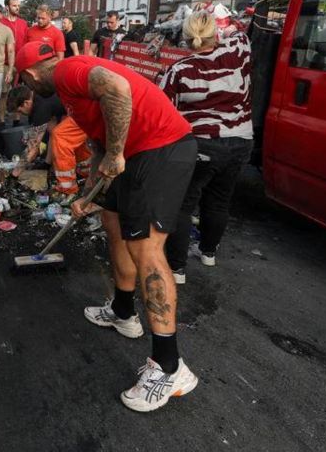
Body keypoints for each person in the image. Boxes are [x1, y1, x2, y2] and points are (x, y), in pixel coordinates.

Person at [16, 41, 198, 413]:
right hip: (134, 153)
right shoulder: (70, 95)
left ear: (31, 75)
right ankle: (122, 310)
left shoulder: (68, 71)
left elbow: (117, 88)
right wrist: (88, 194)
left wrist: (117, 152)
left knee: (146, 249)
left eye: (26, 84)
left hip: (161, 148)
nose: (30, 91)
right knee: (111, 220)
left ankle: (169, 367)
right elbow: (98, 145)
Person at [159, 11, 253, 284]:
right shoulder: (240, 53)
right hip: (240, 141)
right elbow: (238, 28)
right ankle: (208, 252)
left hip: (201, 145)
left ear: (186, 40)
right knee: (220, 200)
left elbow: (167, 113)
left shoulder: (180, 70)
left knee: (183, 205)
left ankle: (177, 269)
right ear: (216, 33)